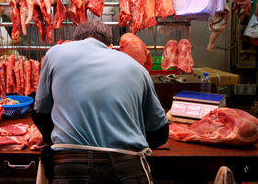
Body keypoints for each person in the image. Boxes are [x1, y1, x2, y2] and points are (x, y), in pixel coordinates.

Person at [32, 20, 169, 183]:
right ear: (109, 45)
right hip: (127, 168)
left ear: (76, 41)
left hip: (71, 166)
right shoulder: (137, 68)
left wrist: (59, 137)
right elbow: (160, 133)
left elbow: (40, 114)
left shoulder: (55, 54)